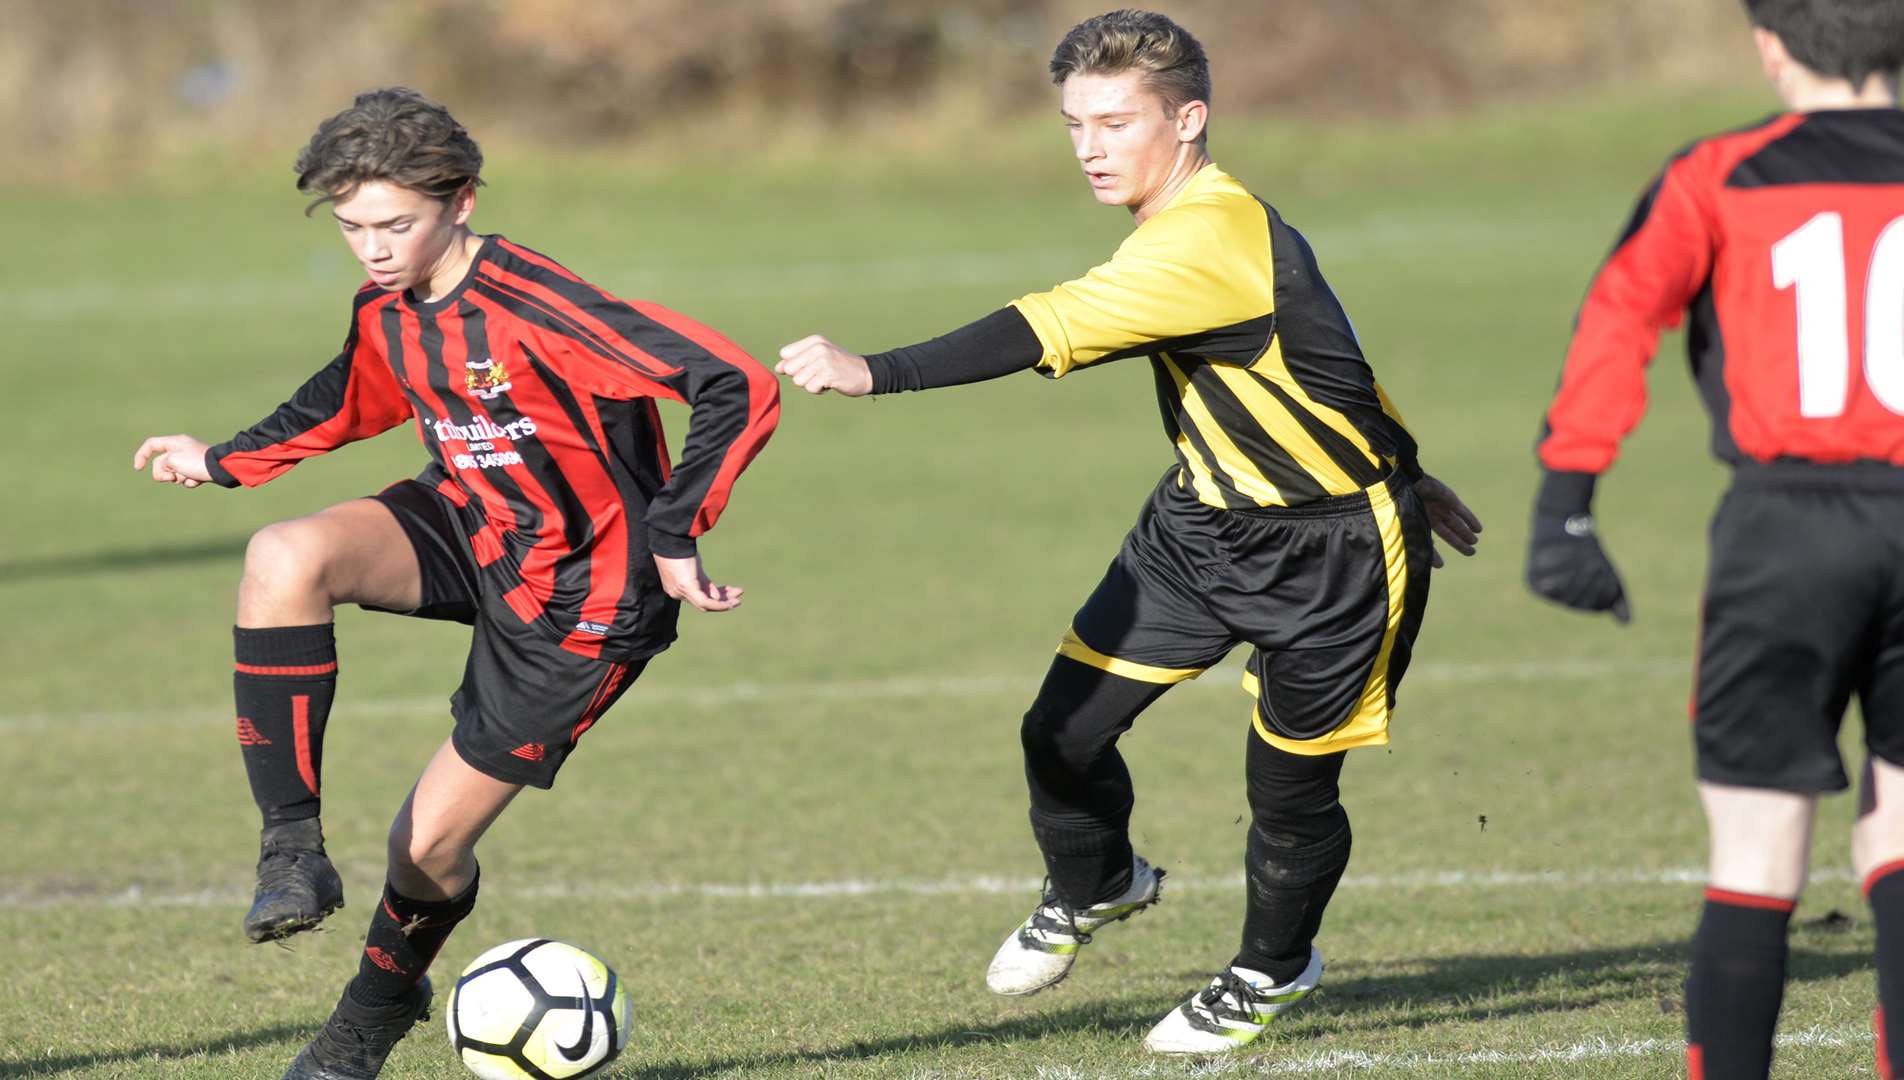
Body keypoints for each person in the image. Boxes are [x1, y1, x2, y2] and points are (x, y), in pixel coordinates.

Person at [776, 9, 1480, 1055]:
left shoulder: (1210, 238)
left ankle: (1271, 970)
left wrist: (874, 370)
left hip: (1331, 554)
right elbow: (1331, 357)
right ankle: (1097, 886)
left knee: (1287, 787)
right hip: (1198, 524)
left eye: (1115, 122)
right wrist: (1411, 466)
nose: (1091, 148)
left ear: (1190, 118)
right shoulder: (1188, 228)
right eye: (1073, 124)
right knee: (1060, 731)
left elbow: (1041, 324)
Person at [131, 87, 779, 1080]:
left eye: (396, 224)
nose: (374, 248)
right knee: (282, 556)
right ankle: (291, 851)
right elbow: (349, 394)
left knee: (423, 849)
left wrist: (676, 526)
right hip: (472, 523)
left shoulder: (539, 305)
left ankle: (372, 1012)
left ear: (461, 201)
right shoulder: (392, 309)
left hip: (584, 601)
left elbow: (734, 381)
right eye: (353, 227)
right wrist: (221, 460)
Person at [1524, 1, 1904, 1074]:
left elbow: (1620, 313)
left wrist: (1567, 500)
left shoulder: (1720, 172)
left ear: (1771, 47)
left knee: (1757, 849)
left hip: (1787, 526)